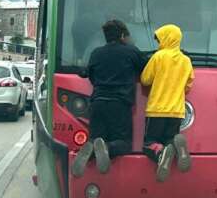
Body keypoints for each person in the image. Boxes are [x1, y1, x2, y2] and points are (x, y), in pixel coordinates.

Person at [71, 19, 145, 177]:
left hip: (97, 104)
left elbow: (88, 74)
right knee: (124, 144)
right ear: (123, 35)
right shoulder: (131, 51)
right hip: (119, 105)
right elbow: (147, 71)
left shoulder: (96, 53)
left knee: (96, 138)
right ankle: (106, 148)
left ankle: (91, 148)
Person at [139, 24, 194, 182]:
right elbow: (189, 85)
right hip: (177, 111)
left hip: (157, 109)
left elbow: (145, 79)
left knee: (149, 143)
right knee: (169, 138)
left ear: (166, 39)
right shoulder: (186, 60)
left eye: (160, 39)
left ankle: (160, 154)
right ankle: (177, 148)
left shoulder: (159, 56)